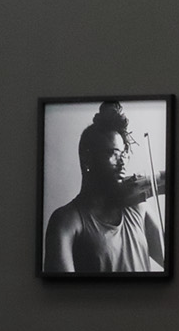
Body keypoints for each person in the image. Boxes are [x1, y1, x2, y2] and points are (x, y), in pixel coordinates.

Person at [42, 100, 165, 273]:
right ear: (87, 159)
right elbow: (61, 288)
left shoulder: (139, 208)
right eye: (113, 154)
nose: (122, 162)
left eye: (123, 154)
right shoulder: (66, 221)